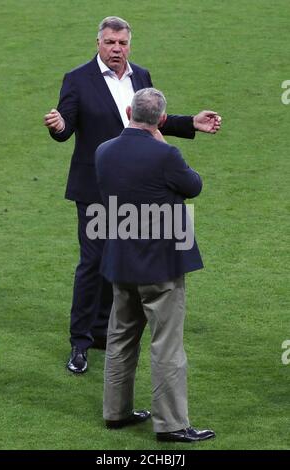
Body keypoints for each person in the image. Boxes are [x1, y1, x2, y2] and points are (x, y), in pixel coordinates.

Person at [44, 16, 221, 374]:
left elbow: (151, 118)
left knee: (117, 261)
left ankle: (101, 332)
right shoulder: (78, 80)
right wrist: (60, 126)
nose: (116, 49)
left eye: (122, 43)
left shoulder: (141, 75)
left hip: (135, 190)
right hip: (95, 188)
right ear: (98, 42)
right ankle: (79, 343)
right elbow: (66, 123)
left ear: (129, 45)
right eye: (110, 42)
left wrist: (191, 123)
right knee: (93, 263)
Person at [95, 87, 215, 443]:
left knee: (120, 339)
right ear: (161, 119)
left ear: (130, 110)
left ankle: (116, 413)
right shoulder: (166, 154)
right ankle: (172, 424)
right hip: (161, 265)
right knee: (166, 345)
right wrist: (164, 146)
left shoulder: (104, 151)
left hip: (120, 262)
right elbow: (193, 185)